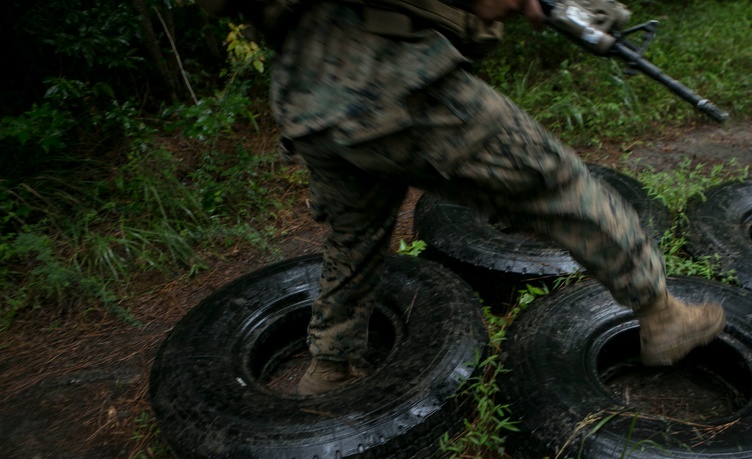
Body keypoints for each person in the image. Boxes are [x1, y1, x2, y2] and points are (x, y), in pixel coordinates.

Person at [196, 0, 725, 395]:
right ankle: (662, 316)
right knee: (561, 183)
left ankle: (329, 365)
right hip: (397, 79)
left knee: (355, 237)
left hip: (307, 102)